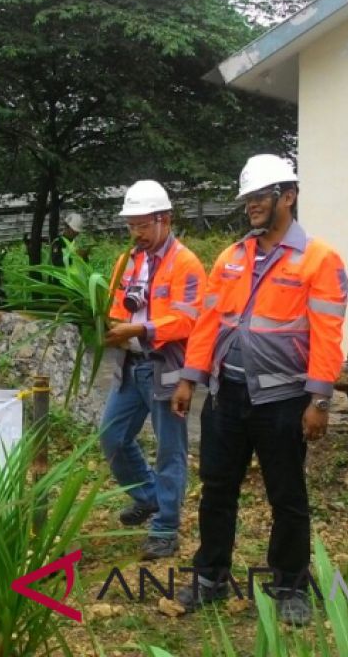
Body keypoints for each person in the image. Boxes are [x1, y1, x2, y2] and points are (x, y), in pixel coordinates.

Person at [172, 154, 348, 626]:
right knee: (216, 489)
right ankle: (209, 578)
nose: (251, 206)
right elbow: (209, 321)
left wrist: (319, 400)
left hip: (283, 401)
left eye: (259, 197)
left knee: (287, 496)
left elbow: (328, 334)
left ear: (287, 197)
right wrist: (190, 378)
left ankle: (290, 586)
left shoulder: (319, 258)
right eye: (247, 198)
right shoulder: (232, 256)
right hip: (227, 396)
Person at [100, 180, 206, 561]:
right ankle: (148, 497)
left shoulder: (186, 263)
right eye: (131, 225)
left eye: (143, 225)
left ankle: (165, 527)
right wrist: (107, 328)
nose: (136, 233)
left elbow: (191, 319)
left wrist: (142, 328)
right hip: (130, 364)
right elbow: (116, 305)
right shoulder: (128, 260)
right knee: (112, 435)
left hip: (165, 364)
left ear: (165, 220)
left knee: (170, 449)